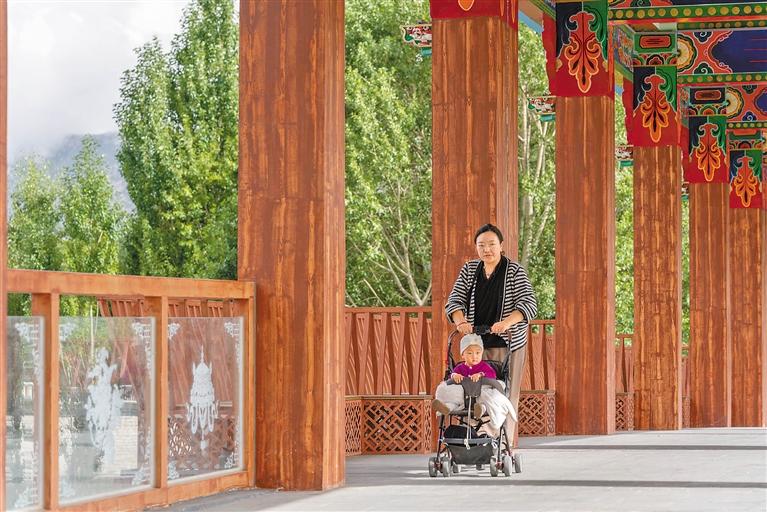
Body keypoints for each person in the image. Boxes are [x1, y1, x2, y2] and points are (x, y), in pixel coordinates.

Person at [444, 223, 537, 437]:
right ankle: (473, 439)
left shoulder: (514, 271)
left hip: (508, 342)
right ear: (476, 247)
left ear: (501, 245)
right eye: (481, 245)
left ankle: (501, 441)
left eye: (492, 244)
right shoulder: (470, 269)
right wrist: (460, 322)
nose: (487, 249)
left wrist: (507, 323)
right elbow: (454, 300)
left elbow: (529, 303)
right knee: (471, 388)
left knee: (504, 390)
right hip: (475, 343)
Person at [432, 334, 517, 436]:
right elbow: (451, 378)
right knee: (450, 395)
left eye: (478, 353)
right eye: (470, 353)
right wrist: (455, 376)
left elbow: (492, 376)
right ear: (463, 355)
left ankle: (480, 409)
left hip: (479, 397)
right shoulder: (459, 368)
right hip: (463, 399)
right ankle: (446, 407)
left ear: (482, 353)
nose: (474, 356)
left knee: (487, 399)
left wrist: (481, 375)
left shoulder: (484, 366)